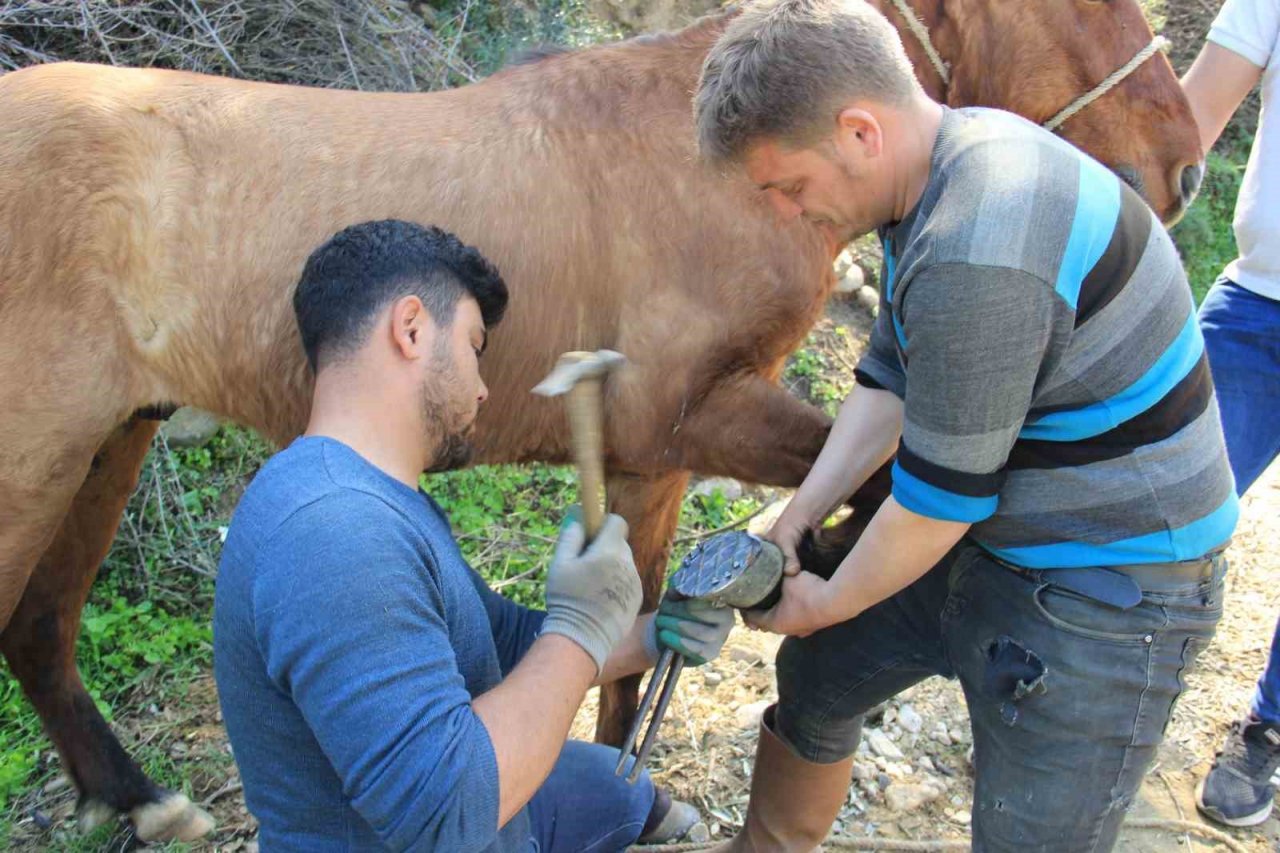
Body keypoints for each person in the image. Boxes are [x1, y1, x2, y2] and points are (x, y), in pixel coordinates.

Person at [692, 1, 1238, 850]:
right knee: (822, 676)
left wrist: (827, 599)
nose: (789, 213)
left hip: (1112, 581)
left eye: (791, 187)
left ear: (860, 132)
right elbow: (890, 380)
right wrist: (799, 517)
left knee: (1030, 834)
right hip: (991, 527)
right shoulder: (939, 161)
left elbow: (940, 501)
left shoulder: (983, 237)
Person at [212, 219, 734, 851]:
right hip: (460, 826)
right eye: (473, 344)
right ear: (410, 329)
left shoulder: (366, 498)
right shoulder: (336, 532)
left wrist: (649, 634)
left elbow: (499, 646)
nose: (484, 388)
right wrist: (579, 628)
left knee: (613, 784)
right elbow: (446, 814)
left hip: (494, 821)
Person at [1180, 0, 1280, 829]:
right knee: (1162, 508)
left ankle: (1267, 727)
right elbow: (1186, 124)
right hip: (1256, 308)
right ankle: (1085, 696)